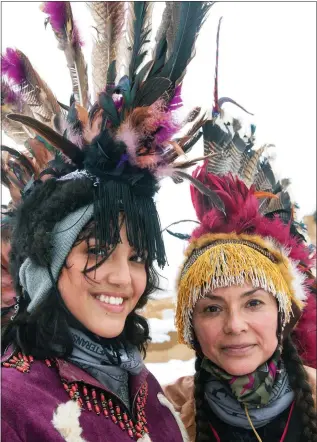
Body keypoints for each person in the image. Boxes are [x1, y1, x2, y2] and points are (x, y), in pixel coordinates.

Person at [1, 2, 215, 441]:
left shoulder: (145, 388)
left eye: (137, 256)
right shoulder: (11, 404)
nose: (123, 277)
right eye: (96, 250)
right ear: (46, 265)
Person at [163, 18, 317, 441]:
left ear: (282, 313)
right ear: (190, 324)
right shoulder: (166, 414)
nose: (234, 325)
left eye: (253, 303)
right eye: (212, 308)